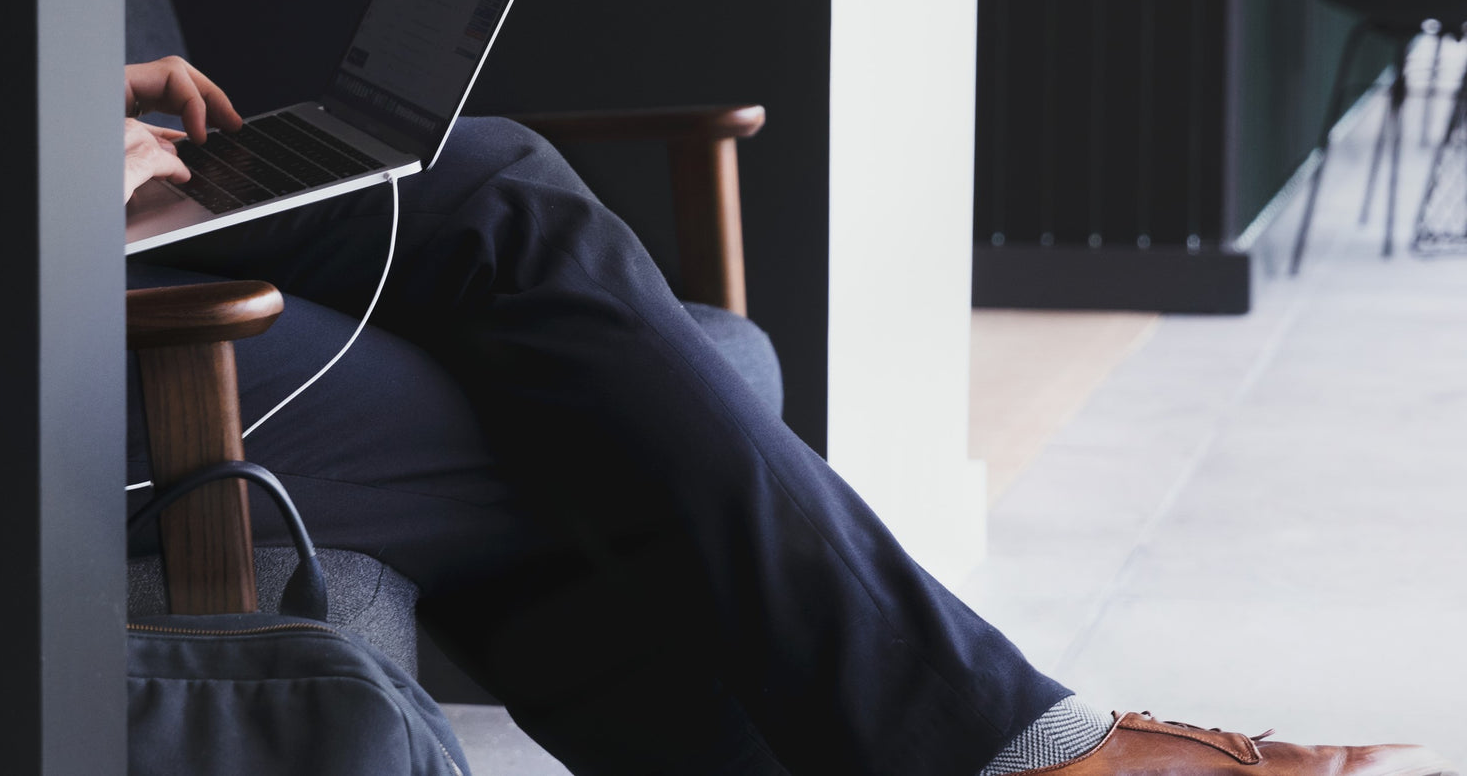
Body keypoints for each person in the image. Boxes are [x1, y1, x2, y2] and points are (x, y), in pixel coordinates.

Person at [122, 48, 1456, 776]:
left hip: (72, 215)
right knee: (580, 399)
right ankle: (1016, 751)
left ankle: (1004, 745)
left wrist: (87, 102)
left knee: (487, 175)